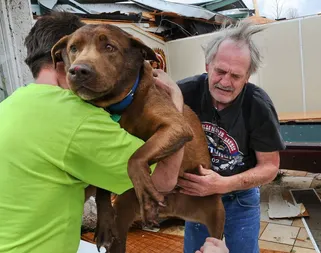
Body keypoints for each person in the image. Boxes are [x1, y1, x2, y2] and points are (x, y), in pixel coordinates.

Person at [0, 12, 185, 253]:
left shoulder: (10, 105)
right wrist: (175, 102)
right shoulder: (76, 117)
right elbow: (163, 180)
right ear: (63, 60)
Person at [176, 21, 286, 253]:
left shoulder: (258, 106)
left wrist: (222, 184)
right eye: (220, 71)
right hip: (197, 194)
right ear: (208, 65)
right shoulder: (184, 94)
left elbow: (270, 167)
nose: (225, 82)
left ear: (248, 76)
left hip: (240, 198)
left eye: (236, 76)